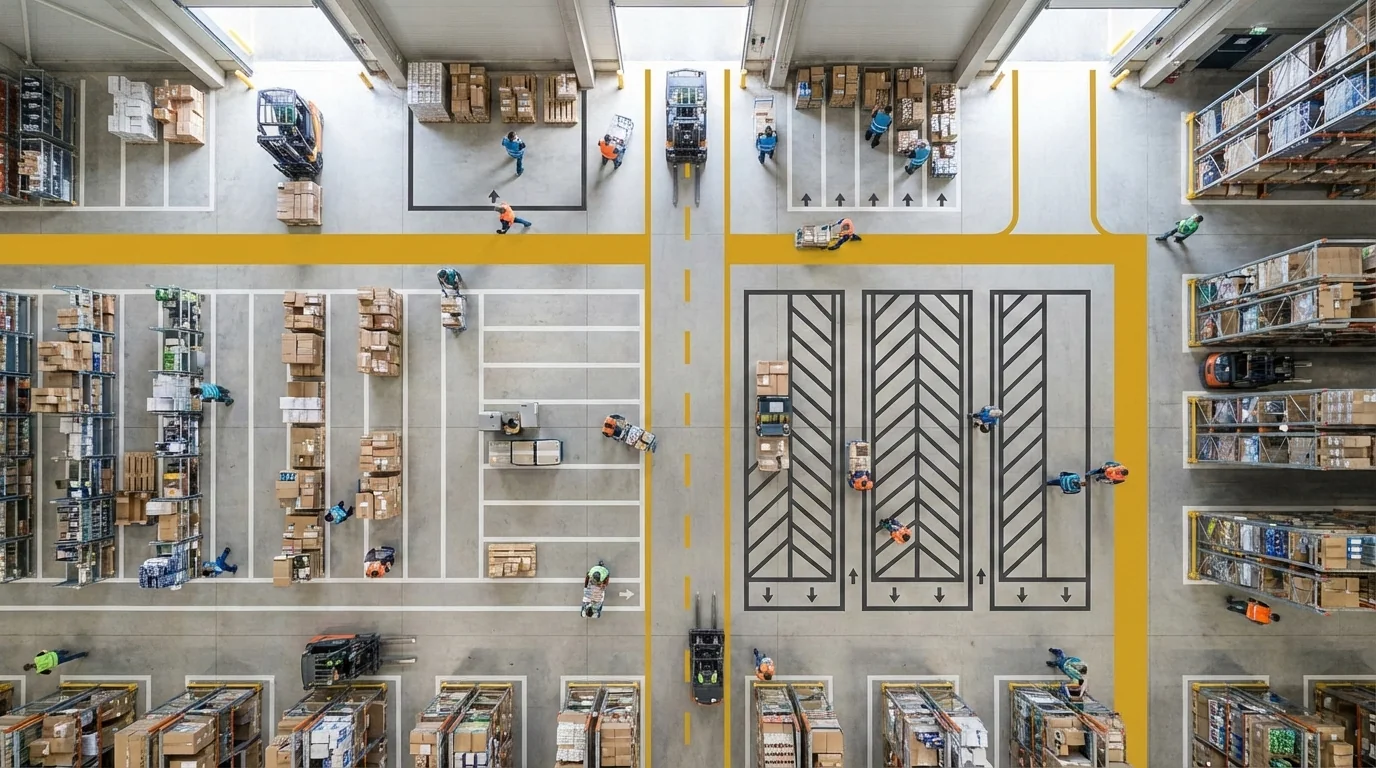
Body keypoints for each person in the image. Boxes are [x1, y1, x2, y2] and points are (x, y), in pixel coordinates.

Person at [24, 649, 88, 675]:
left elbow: (49, 672)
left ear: (30, 669)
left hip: (57, 661)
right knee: (58, 651)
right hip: (54, 654)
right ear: (29, 664)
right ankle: (66, 651)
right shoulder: (36, 658)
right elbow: (44, 651)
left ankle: (83, 654)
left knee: (70, 658)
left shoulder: (39, 670)